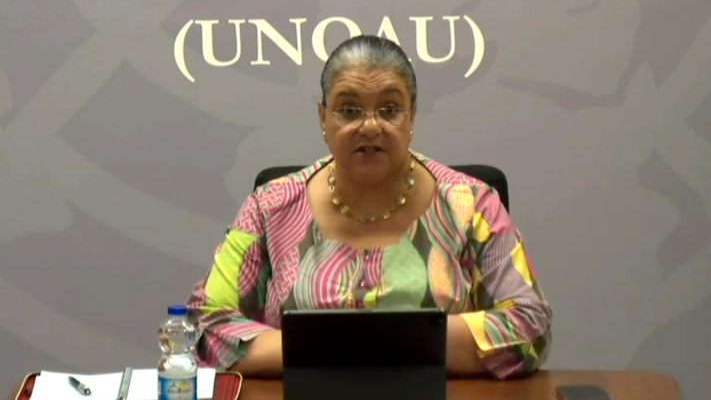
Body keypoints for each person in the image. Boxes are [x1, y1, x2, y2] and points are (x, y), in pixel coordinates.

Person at [185, 35, 552, 379]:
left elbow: (530, 325)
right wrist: (369, 346)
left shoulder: (471, 204)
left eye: (390, 110)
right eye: (349, 110)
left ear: (412, 117)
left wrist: (347, 345)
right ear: (322, 117)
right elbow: (204, 326)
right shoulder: (271, 207)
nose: (371, 127)